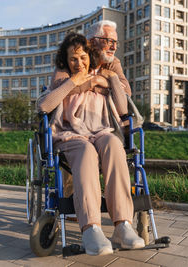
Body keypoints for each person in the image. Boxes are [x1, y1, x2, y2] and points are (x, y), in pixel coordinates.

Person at [38, 32, 144, 256]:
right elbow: (44, 106)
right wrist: (74, 82)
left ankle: (123, 225)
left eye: (83, 57)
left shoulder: (103, 75)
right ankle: (91, 228)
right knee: (86, 152)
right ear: (66, 61)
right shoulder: (62, 79)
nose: (79, 63)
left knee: (115, 146)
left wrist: (106, 79)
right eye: (73, 59)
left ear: (90, 56)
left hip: (100, 132)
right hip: (71, 136)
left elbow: (123, 108)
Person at [51, 20, 131, 98]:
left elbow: (126, 93)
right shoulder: (73, 57)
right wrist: (97, 82)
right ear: (93, 42)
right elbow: (57, 90)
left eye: (116, 43)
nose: (114, 47)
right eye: (109, 41)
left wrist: (98, 83)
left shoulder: (113, 62)